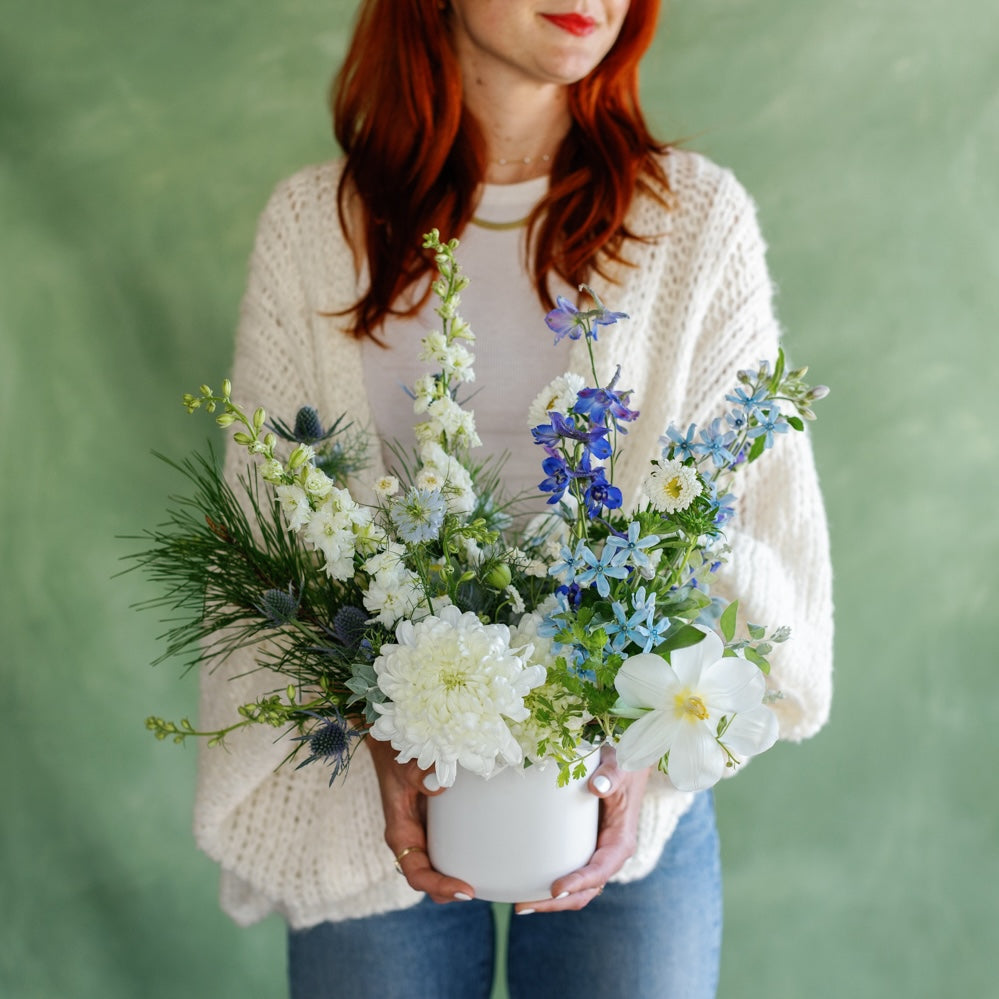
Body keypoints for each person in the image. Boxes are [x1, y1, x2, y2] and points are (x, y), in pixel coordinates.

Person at [193, 1, 834, 996]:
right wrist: (375, 734)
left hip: (624, 812)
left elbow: (748, 517)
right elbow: (272, 528)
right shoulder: (315, 228)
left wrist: (642, 764)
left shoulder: (693, 220)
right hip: (376, 804)